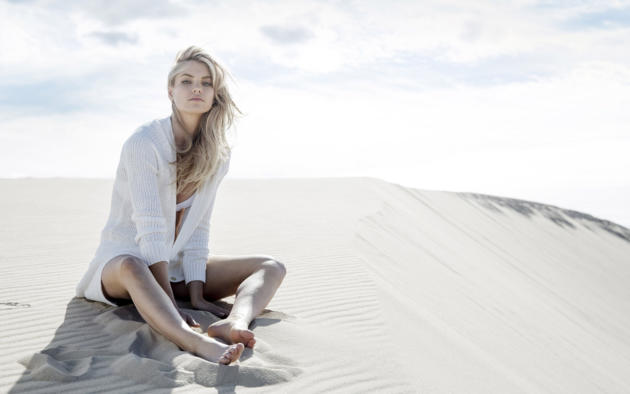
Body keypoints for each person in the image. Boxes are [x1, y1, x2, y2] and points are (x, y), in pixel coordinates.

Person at [75, 46, 286, 365]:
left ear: (216, 94)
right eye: (186, 81)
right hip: (120, 266)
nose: (196, 88)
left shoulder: (219, 154)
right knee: (134, 265)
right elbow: (150, 229)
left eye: (206, 82)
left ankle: (236, 322)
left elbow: (199, 228)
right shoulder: (144, 142)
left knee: (271, 267)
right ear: (170, 90)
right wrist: (172, 303)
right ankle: (195, 342)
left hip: (170, 266)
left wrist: (198, 293)